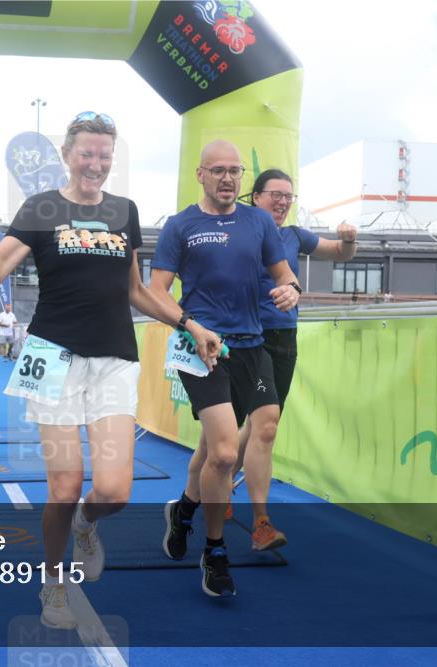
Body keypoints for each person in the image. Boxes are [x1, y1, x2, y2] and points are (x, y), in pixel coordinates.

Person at [0, 112, 221, 629]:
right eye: (86, 153)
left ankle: (86, 523)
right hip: (51, 358)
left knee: (115, 490)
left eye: (104, 155)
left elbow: (136, 290)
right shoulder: (41, 208)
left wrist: (190, 325)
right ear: (67, 155)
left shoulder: (124, 211)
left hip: (113, 359)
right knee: (63, 486)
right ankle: (53, 583)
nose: (95, 163)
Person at [151, 141, 301, 599]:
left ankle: (184, 511)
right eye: (218, 170)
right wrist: (191, 326)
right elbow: (156, 291)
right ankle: (215, 552)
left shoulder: (258, 222)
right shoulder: (180, 225)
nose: (228, 178)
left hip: (252, 347)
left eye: (234, 171)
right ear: (200, 175)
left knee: (239, 438)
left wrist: (291, 288)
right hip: (201, 348)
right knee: (221, 453)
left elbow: (283, 273)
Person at [224, 169, 359, 552]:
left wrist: (349, 238)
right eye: (275, 194)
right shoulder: (238, 232)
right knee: (263, 426)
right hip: (248, 339)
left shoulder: (294, 236)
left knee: (260, 426)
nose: (283, 202)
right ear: (255, 197)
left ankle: (220, 486)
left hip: (285, 340)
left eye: (288, 196)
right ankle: (261, 523)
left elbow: (341, 253)